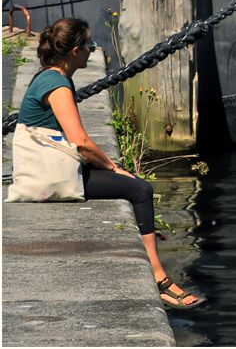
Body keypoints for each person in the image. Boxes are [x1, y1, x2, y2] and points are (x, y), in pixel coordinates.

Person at [15, 18, 204, 309]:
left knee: (126, 180)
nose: (94, 50)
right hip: (49, 174)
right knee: (139, 190)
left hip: (53, 165)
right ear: (76, 51)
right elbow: (81, 142)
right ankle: (159, 278)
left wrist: (109, 166)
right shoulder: (57, 84)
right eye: (90, 45)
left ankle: (158, 275)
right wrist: (114, 168)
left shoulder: (52, 76)